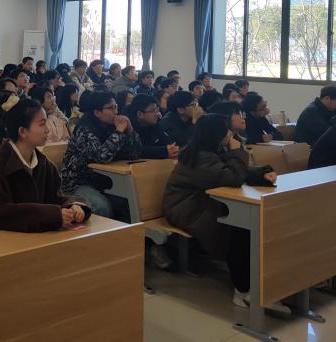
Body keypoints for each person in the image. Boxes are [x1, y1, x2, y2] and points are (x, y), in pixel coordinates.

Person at [163, 114, 289, 314]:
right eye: (226, 130)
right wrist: (236, 151)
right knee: (240, 228)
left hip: (204, 202)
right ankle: (244, 289)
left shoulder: (210, 150)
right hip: (186, 208)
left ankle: (263, 281)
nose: (230, 134)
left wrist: (262, 172)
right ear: (216, 134)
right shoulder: (199, 158)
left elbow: (233, 171)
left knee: (255, 222)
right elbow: (233, 177)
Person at [0, 98, 90, 233]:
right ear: (23, 131)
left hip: (31, 235)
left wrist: (73, 207)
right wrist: (51, 215)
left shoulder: (43, 163)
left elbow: (55, 198)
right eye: (42, 124)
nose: (47, 129)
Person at [61, 91, 142, 218]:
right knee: (102, 207)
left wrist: (129, 130)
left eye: (116, 107)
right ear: (97, 112)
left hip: (106, 179)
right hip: (78, 183)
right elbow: (102, 157)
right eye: (111, 108)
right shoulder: (84, 128)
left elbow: (135, 153)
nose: (116, 111)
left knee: (131, 201)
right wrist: (119, 132)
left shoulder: (111, 125)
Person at [127, 94, 178, 160]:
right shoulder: (128, 127)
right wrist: (164, 151)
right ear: (140, 114)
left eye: (157, 109)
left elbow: (168, 143)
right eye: (153, 111)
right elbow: (136, 149)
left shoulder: (154, 124)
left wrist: (171, 149)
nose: (157, 114)